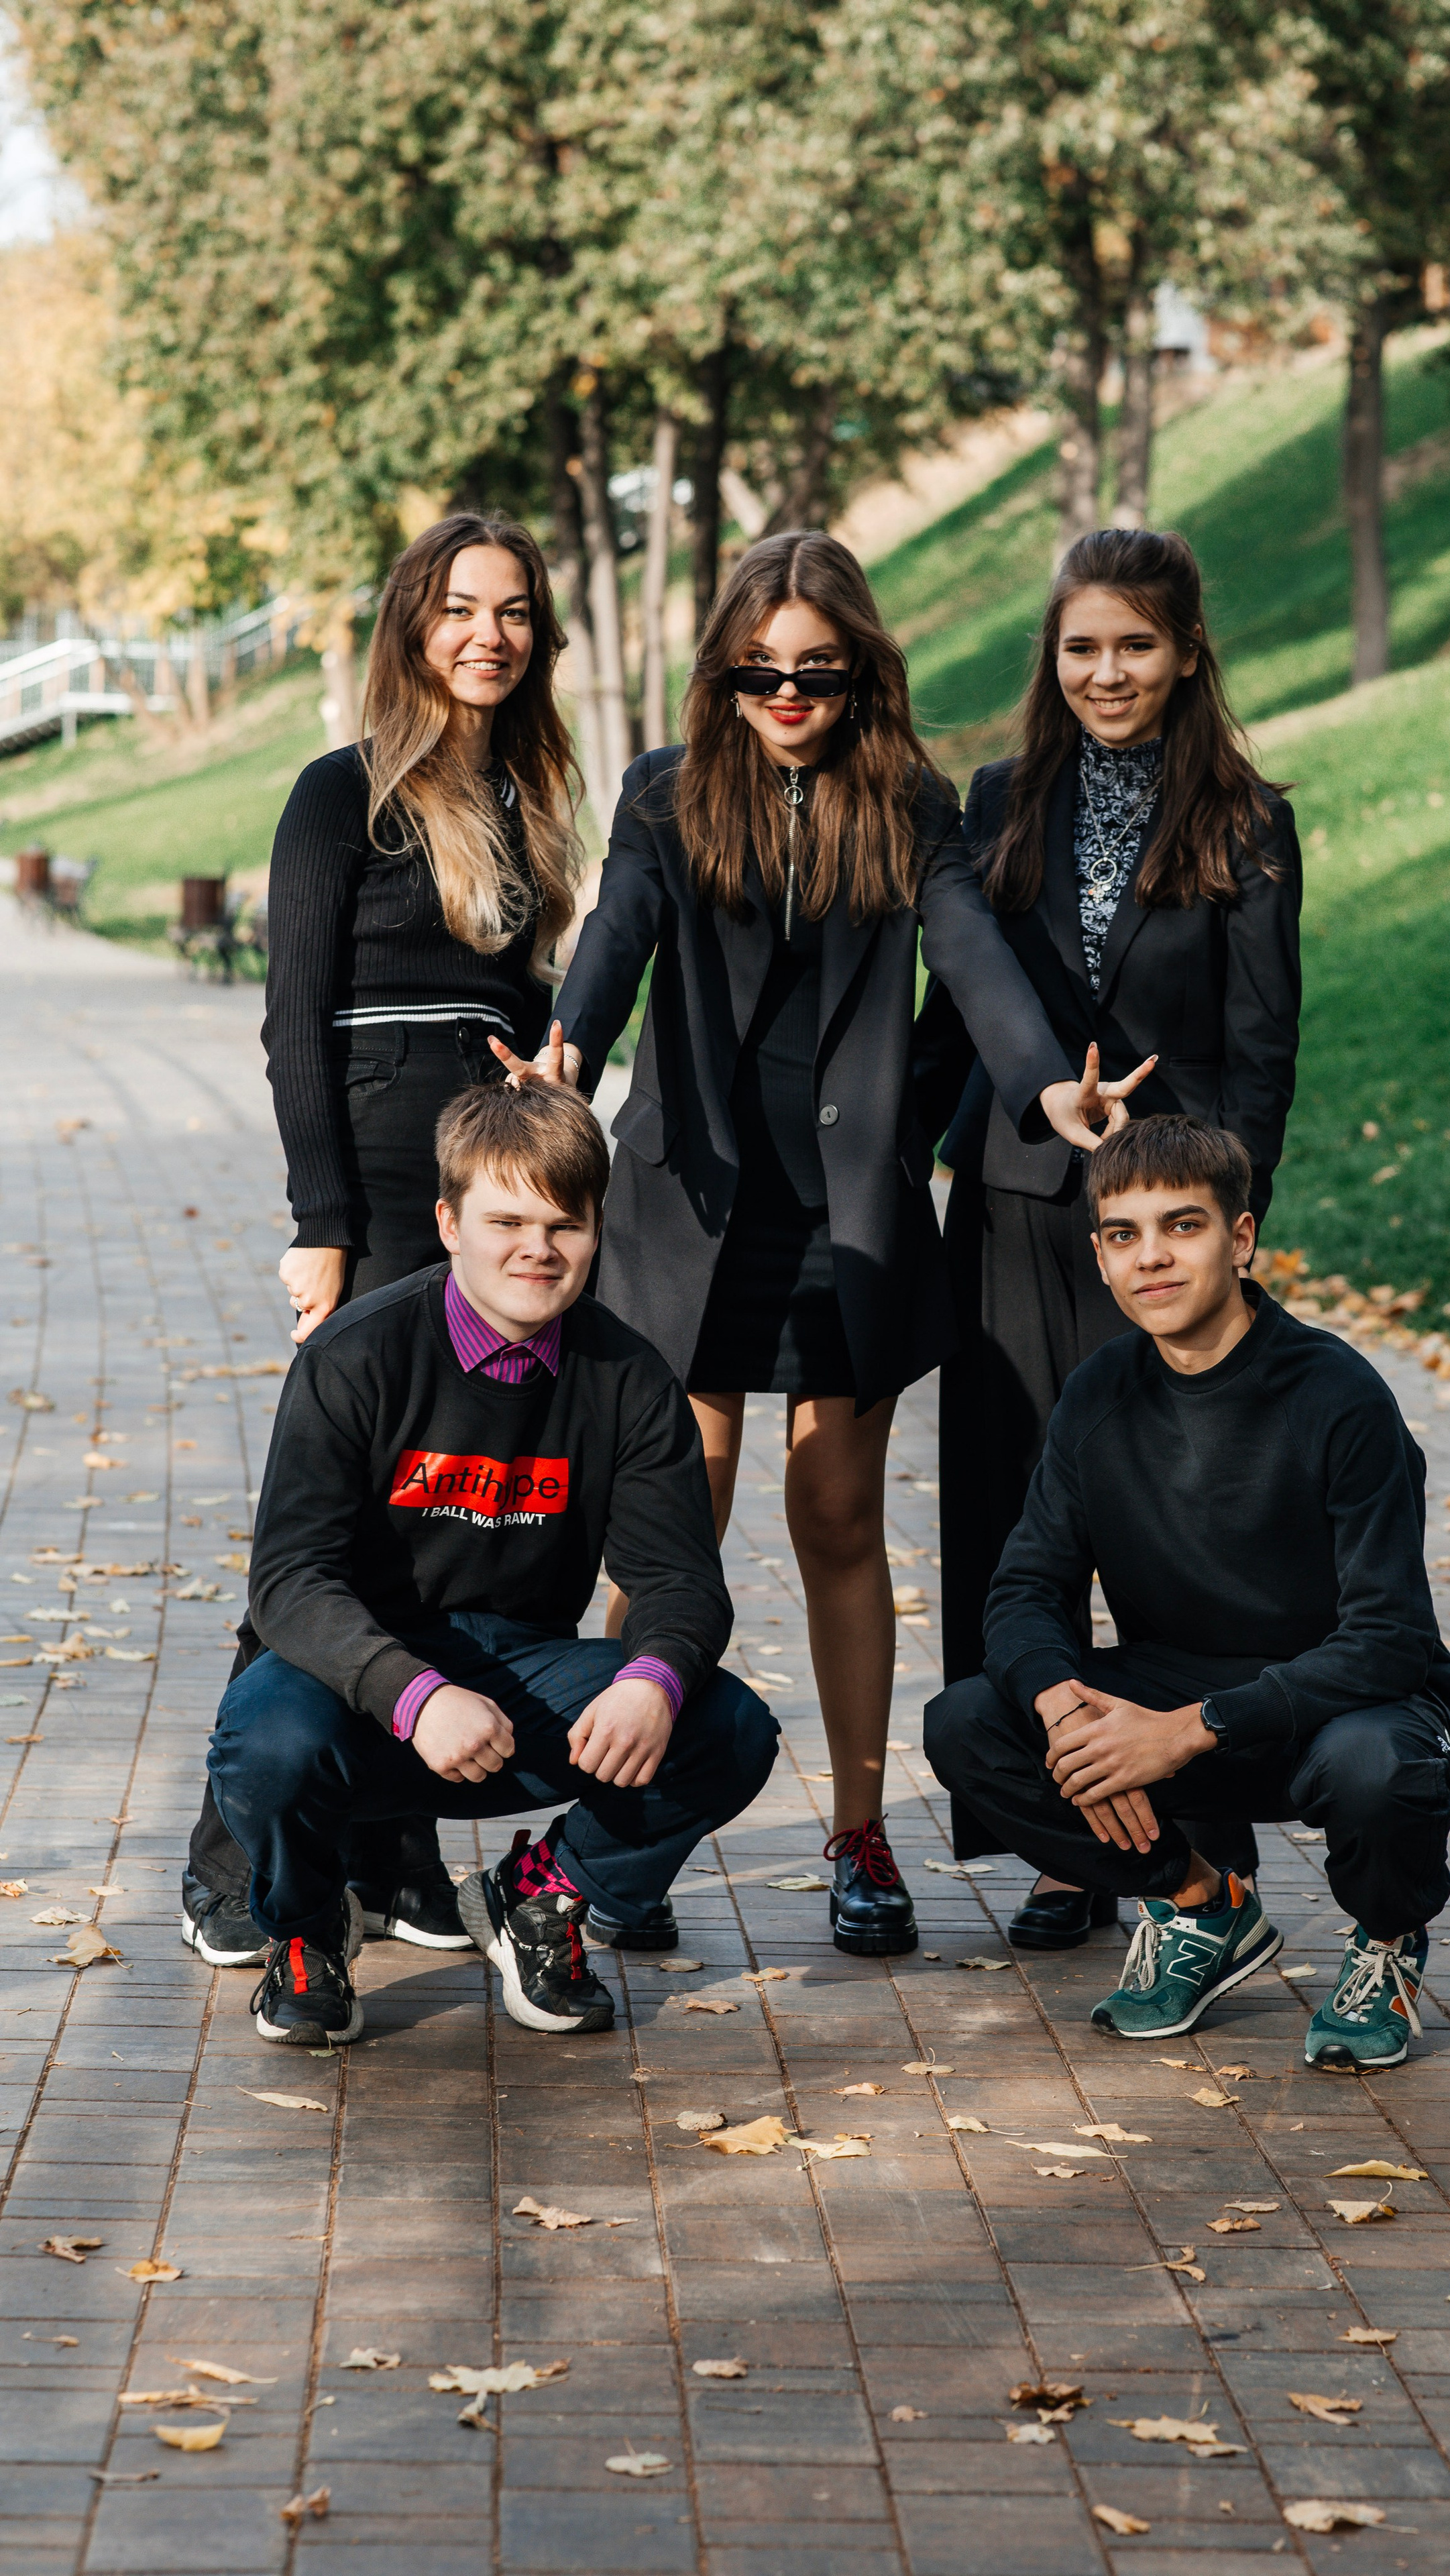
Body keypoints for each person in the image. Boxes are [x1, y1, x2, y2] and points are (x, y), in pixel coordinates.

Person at [500, 529, 1143, 1960]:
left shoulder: (906, 801)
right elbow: (615, 934)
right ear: (722, 672)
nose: (785, 693)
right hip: (690, 1220)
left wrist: (1046, 1085)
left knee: (840, 1524)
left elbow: (970, 958)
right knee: (678, 1534)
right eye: (758, 669)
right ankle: (627, 1834)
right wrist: (568, 1048)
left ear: (857, 675)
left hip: (841, 1223)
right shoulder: (667, 796)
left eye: (815, 671)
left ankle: (861, 1837)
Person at [180, 512, 582, 1970]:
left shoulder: (532, 796)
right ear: (413, 627)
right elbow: (294, 1027)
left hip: (486, 1196)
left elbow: (534, 999)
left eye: (516, 611)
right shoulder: (337, 795)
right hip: (375, 1191)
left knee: (439, 1517)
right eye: (461, 609)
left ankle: (389, 1842)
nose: (490, 633)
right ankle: (230, 1858)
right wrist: (319, 1229)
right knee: (334, 1521)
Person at [205, 1080, 777, 2046]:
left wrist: (654, 1677)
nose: (537, 1250)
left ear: (598, 1231)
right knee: (264, 1738)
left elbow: (682, 1582)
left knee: (726, 1724)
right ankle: (306, 1935)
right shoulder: (353, 1358)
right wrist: (412, 1693)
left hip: (523, 1682)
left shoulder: (630, 1381)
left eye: (565, 1225)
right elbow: (290, 1581)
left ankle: (542, 1895)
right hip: (361, 1688)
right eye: (505, 1219)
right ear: (448, 1222)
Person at [917, 527, 1301, 1951]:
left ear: (1185, 652)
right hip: (1016, 1204)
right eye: (1081, 645)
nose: (1105, 671)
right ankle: (1067, 1836)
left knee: (1171, 1530)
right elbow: (953, 1007)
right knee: (1012, 1517)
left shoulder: (1246, 820)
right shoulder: (998, 799)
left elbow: (1261, 1051)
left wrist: (1228, 1238)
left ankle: (1194, 1824)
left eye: (1133, 644)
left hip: (1166, 1229)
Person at [922, 1114, 1450, 2071]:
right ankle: (1200, 1907)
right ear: (1099, 1256)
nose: (1153, 1258)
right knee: (971, 1720)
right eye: (1124, 1235)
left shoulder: (1337, 1396)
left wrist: (1187, 1727)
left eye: (1182, 1226)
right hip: (1177, 1696)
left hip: (1346, 1708)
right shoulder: (1100, 1393)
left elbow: (1388, 1638)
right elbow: (1023, 1589)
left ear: (1242, 1238)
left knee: (1378, 1769)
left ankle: (1386, 1945)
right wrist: (1064, 1712)